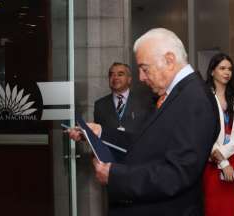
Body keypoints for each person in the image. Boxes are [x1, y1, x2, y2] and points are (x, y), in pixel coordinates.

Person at [69, 28, 220, 216]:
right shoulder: (179, 94)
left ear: (169, 60)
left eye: (144, 68)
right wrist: (100, 132)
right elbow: (145, 144)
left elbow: (177, 174)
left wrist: (115, 176)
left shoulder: (194, 99)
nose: (140, 77)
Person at [202, 53, 234, 216]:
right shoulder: (203, 97)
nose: (227, 72)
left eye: (229, 69)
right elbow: (204, 132)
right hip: (212, 160)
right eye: (222, 68)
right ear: (212, 71)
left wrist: (223, 154)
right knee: (213, 207)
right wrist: (222, 162)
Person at [94, 62, 153, 133]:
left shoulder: (145, 102)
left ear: (129, 79)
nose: (115, 77)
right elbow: (97, 134)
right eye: (112, 75)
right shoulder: (100, 105)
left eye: (120, 74)